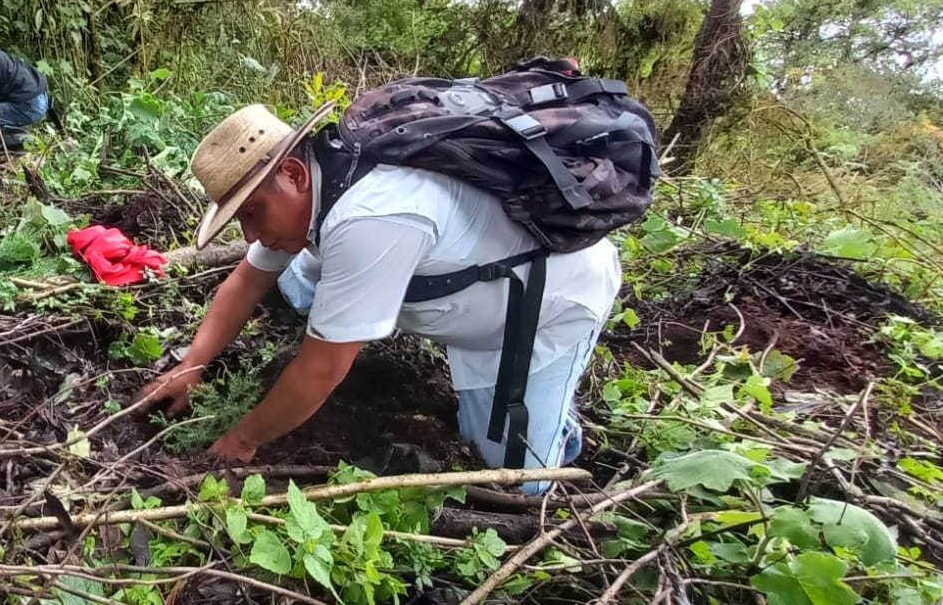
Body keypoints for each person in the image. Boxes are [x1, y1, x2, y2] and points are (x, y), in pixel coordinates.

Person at [134, 104, 623, 494]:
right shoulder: (328, 174)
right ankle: (358, 320)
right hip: (468, 284)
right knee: (295, 279)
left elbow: (321, 370)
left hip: (543, 304)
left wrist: (240, 442)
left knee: (518, 480)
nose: (250, 232)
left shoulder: (372, 218)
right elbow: (244, 281)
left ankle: (558, 426)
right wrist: (192, 362)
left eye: (253, 212)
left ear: (293, 174)